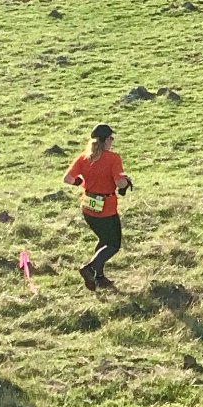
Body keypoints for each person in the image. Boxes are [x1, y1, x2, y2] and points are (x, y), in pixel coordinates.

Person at [63, 125, 132, 291]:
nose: (112, 141)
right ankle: (90, 268)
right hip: (106, 209)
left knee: (103, 240)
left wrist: (81, 182)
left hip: (88, 208)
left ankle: (99, 278)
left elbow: (68, 179)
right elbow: (119, 183)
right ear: (107, 139)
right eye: (111, 138)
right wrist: (127, 180)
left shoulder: (84, 157)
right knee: (113, 244)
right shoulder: (113, 158)